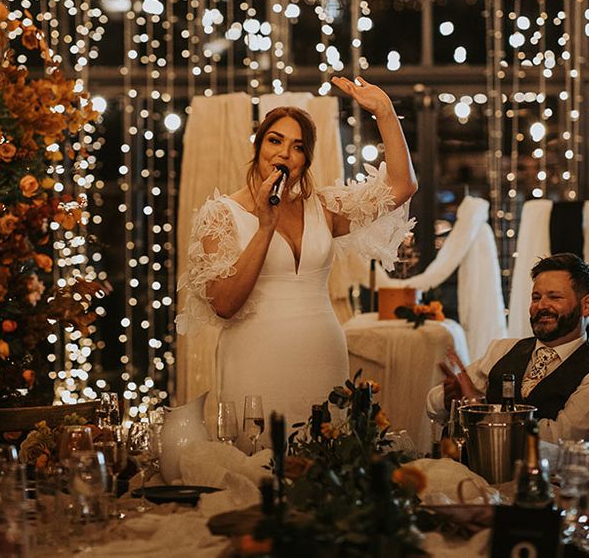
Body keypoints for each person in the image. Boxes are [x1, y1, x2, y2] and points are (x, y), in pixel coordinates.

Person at [177, 76, 417, 443]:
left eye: (298, 147)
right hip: (255, 365)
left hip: (323, 360)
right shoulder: (221, 214)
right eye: (275, 141)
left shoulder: (323, 207)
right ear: (258, 147)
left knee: (326, 469)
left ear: (305, 160)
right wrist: (264, 227)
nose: (284, 153)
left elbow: (401, 187)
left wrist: (384, 112)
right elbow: (224, 305)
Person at [426, 253, 589, 443]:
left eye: (554, 297)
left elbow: (560, 438)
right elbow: (433, 404)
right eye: (536, 298)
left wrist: (481, 409)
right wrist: (448, 399)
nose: (542, 305)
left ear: (586, 305)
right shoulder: (502, 350)